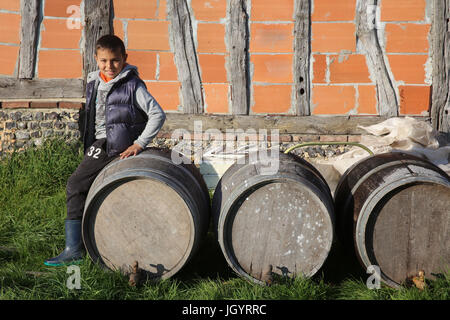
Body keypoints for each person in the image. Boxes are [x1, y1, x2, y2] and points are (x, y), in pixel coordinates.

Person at [44, 35, 166, 266]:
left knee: (75, 184)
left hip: (112, 144)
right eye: (104, 61)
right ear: (96, 59)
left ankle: (74, 250)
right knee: (89, 187)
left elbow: (158, 114)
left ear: (125, 59)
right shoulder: (94, 81)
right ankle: (92, 237)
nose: (109, 66)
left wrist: (139, 143)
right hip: (97, 142)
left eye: (115, 61)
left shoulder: (132, 85)